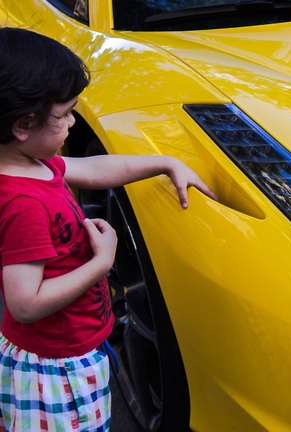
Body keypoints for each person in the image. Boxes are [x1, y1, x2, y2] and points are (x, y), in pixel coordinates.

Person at [0, 27, 218, 431]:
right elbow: (25, 304)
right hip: (56, 370)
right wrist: (102, 262)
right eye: (65, 114)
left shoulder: (33, 164)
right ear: (23, 124)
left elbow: (93, 170)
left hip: (70, 349)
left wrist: (164, 162)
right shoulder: (22, 203)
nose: (72, 123)